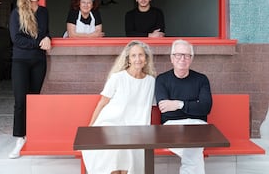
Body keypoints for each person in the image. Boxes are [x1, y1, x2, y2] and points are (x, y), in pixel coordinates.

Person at [82, 40, 156, 174]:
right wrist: (91, 127)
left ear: (146, 59)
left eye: (141, 55)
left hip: (135, 128)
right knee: (113, 152)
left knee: (131, 151)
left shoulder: (151, 82)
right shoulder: (117, 78)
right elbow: (102, 103)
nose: (137, 59)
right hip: (111, 123)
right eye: (133, 55)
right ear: (128, 59)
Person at [8, 0, 51, 159]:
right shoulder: (17, 13)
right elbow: (16, 39)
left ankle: (31, 136)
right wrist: (37, 43)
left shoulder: (43, 12)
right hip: (21, 61)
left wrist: (48, 38)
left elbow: (45, 33)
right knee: (20, 101)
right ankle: (19, 139)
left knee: (34, 99)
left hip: (39, 62)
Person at [155, 39, 212, 174]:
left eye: (187, 55)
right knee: (193, 151)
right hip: (170, 126)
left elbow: (205, 108)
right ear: (171, 58)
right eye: (178, 55)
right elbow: (165, 110)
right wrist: (192, 106)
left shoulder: (201, 79)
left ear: (191, 58)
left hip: (198, 125)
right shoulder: (162, 79)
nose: (182, 59)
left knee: (192, 148)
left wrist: (177, 104)